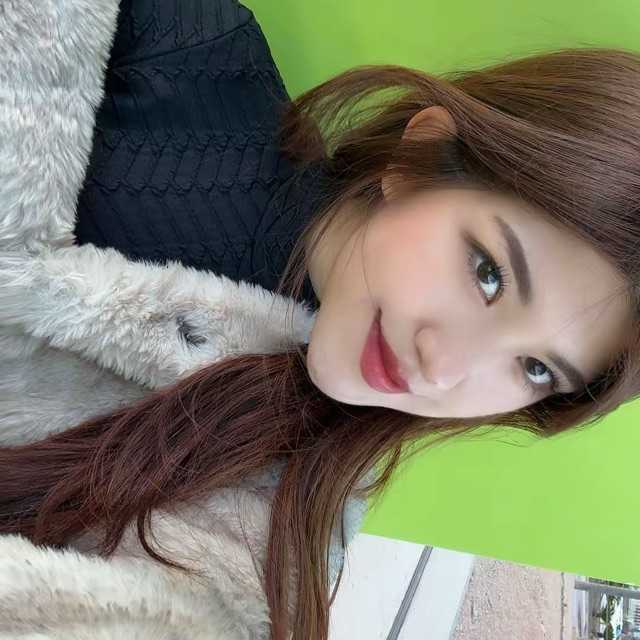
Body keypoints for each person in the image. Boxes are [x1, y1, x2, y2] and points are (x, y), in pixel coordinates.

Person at [1, 1, 640, 640]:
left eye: (536, 368)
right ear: (420, 158)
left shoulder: (295, 501)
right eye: (489, 274)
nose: (443, 368)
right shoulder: (189, 51)